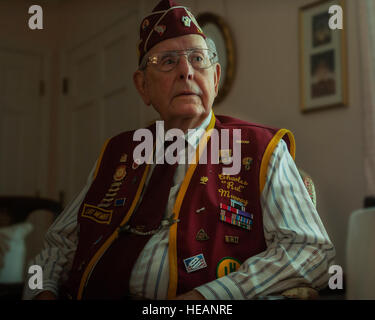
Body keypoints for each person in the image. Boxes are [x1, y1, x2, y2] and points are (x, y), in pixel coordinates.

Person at [23, 0, 335, 300]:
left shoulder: (262, 149)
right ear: (143, 85)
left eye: (198, 59)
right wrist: (42, 292)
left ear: (214, 77)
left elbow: (310, 251)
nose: (186, 71)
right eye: (168, 61)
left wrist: (209, 297)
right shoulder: (117, 153)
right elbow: (58, 245)